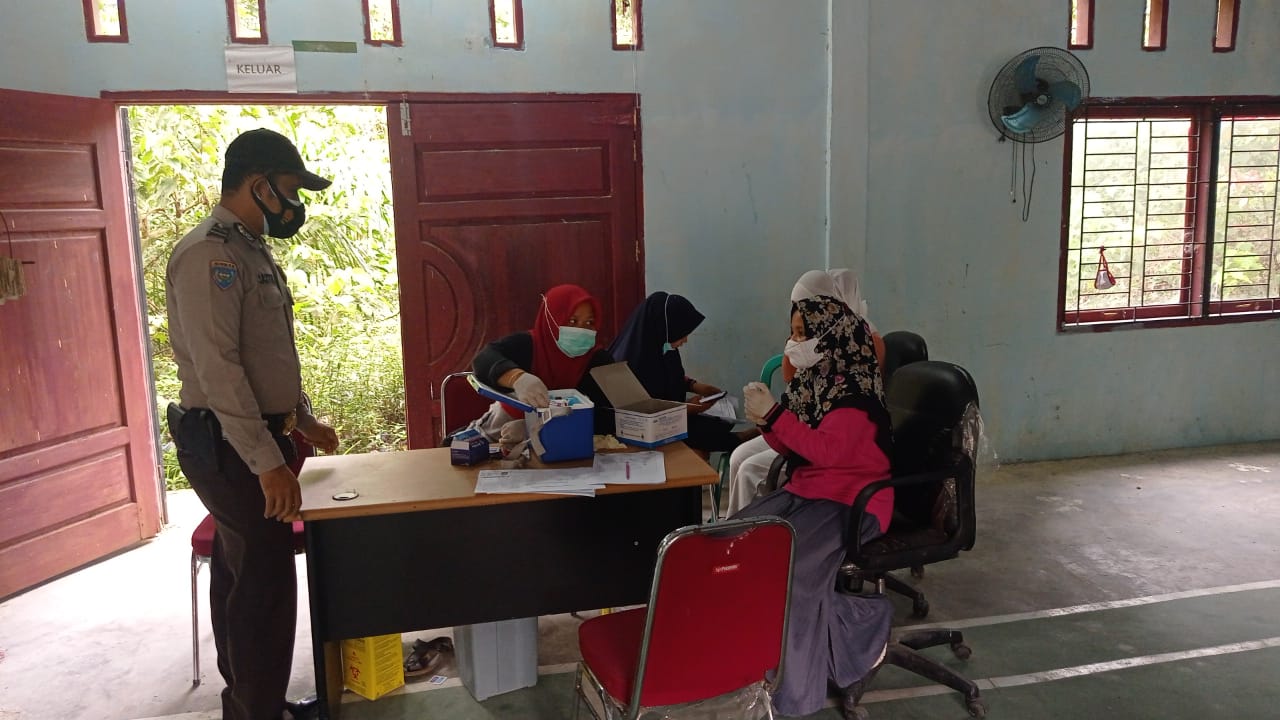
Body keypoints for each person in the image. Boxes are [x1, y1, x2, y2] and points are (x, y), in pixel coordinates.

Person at [165, 128, 339, 720]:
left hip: (251, 436)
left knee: (243, 578)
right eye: (291, 190)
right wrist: (267, 464)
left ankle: (251, 705)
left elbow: (267, 356)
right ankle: (257, 711)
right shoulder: (209, 255)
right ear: (259, 185)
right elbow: (219, 370)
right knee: (263, 583)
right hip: (228, 444)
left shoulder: (248, 249)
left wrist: (301, 419)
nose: (295, 204)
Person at [733, 295, 894, 718]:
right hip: (807, 490)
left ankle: (798, 692)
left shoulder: (855, 390)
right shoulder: (813, 383)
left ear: (831, 335)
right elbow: (795, 447)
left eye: (804, 334)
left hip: (852, 502)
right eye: (793, 332)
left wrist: (775, 415)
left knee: (794, 575)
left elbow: (829, 452)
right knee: (732, 543)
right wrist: (767, 422)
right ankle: (749, 660)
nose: (795, 342)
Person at [725, 268, 885, 515]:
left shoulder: (857, 355)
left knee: (750, 469)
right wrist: (766, 421)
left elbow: (827, 446)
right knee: (739, 456)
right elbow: (791, 378)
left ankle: (751, 526)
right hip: (804, 428)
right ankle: (739, 524)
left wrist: (773, 415)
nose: (803, 311)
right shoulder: (813, 345)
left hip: (831, 458)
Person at [469, 283, 616, 444]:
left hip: (568, 440)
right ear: (552, 318)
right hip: (501, 431)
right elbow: (483, 360)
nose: (581, 330)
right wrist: (516, 378)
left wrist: (537, 429)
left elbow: (609, 417)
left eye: (589, 323)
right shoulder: (526, 344)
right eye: (572, 321)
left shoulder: (599, 361)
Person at [608, 291, 744, 455]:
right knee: (700, 431)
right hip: (644, 427)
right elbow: (640, 413)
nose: (685, 340)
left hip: (672, 414)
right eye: (682, 334)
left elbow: (671, 377)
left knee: (725, 419)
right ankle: (739, 440)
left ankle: (736, 440)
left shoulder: (663, 345)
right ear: (664, 327)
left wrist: (695, 386)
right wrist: (688, 409)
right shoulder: (630, 360)